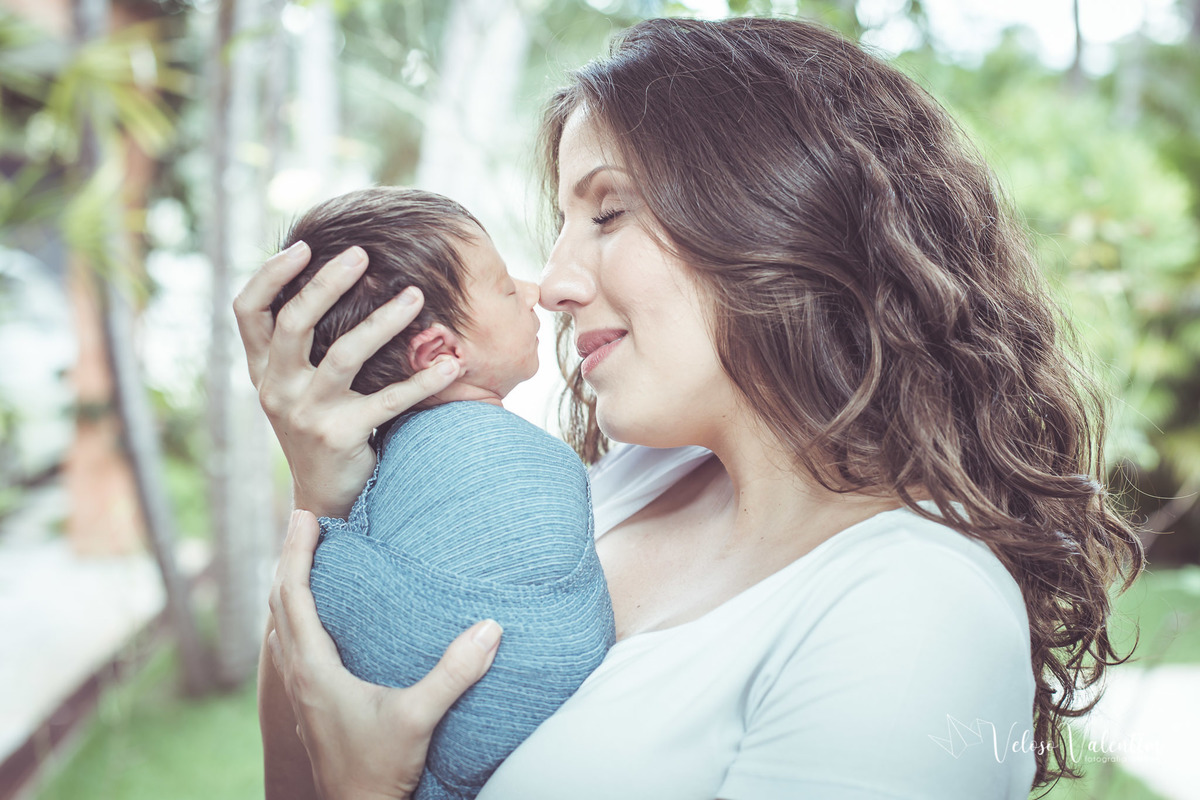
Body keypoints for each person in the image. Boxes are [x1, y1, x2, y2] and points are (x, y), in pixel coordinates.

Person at [236, 16, 1145, 800]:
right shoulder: (617, 485)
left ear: (774, 215)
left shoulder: (914, 611)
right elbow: (313, 747)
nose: (553, 283)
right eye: (562, 222)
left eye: (608, 213)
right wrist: (330, 495)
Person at [260, 187, 615, 799]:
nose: (535, 292)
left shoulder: (396, 470)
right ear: (440, 354)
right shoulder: (497, 455)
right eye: (506, 287)